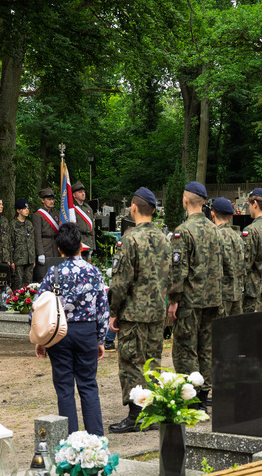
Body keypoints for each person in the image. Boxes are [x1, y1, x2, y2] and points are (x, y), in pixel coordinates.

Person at [33, 223, 108, 435]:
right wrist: (100, 339)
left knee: (65, 389)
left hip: (59, 334)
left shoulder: (54, 273)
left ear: (59, 249)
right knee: (88, 386)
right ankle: (96, 442)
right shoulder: (94, 272)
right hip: (86, 333)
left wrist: (42, 340)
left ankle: (70, 443)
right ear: (81, 246)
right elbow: (102, 308)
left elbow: (39, 307)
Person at [107, 188, 171, 434]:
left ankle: (136, 414)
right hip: (157, 312)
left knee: (131, 362)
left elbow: (120, 282)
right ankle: (151, 412)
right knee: (153, 361)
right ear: (153, 210)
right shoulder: (165, 238)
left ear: (133, 207)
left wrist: (114, 311)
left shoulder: (130, 239)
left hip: (133, 313)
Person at [168, 181, 223, 409]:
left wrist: (173, 300)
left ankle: (191, 397)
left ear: (185, 200)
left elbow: (178, 270)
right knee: (207, 348)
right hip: (213, 299)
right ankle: (204, 395)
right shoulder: (215, 229)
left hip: (190, 300)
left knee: (185, 348)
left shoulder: (183, 231)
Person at [211, 197, 245, 317]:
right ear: (231, 216)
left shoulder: (215, 236)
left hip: (221, 296)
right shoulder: (238, 237)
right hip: (237, 294)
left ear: (212, 214)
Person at [33, 188, 61, 276]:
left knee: (56, 275)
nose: (51, 201)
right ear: (42, 200)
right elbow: (37, 236)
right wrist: (40, 253)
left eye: (52, 199)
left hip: (55, 248)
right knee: (44, 275)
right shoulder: (37, 215)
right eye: (49, 199)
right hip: (45, 248)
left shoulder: (56, 215)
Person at [9, 198, 36, 288]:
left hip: (29, 259)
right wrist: (11, 261)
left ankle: (28, 302)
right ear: (18, 210)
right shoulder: (13, 225)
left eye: (27, 208)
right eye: (24, 209)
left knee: (29, 286)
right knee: (18, 285)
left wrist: (33, 258)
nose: (27, 210)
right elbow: (10, 244)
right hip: (18, 260)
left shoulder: (29, 224)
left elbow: (32, 242)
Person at [72, 182, 95, 257]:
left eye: (84, 192)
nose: (83, 194)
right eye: (80, 192)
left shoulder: (88, 208)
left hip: (88, 242)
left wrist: (93, 246)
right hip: (77, 242)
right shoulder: (71, 209)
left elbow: (92, 229)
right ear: (74, 195)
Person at [0, 198, 11, 265]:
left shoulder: (4, 220)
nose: (2, 206)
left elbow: (9, 240)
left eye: (2, 204)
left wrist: (9, 258)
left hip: (5, 258)